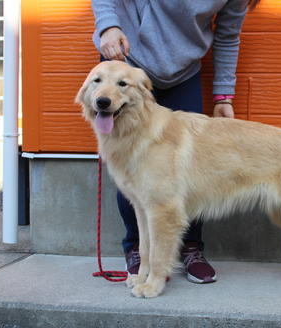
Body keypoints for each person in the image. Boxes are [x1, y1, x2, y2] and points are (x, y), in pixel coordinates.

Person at [91, 0, 260, 284]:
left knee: (193, 169)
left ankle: (190, 248)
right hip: (128, 64)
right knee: (132, 169)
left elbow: (228, 36)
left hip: (184, 72)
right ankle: (137, 249)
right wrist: (108, 26)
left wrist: (223, 96)